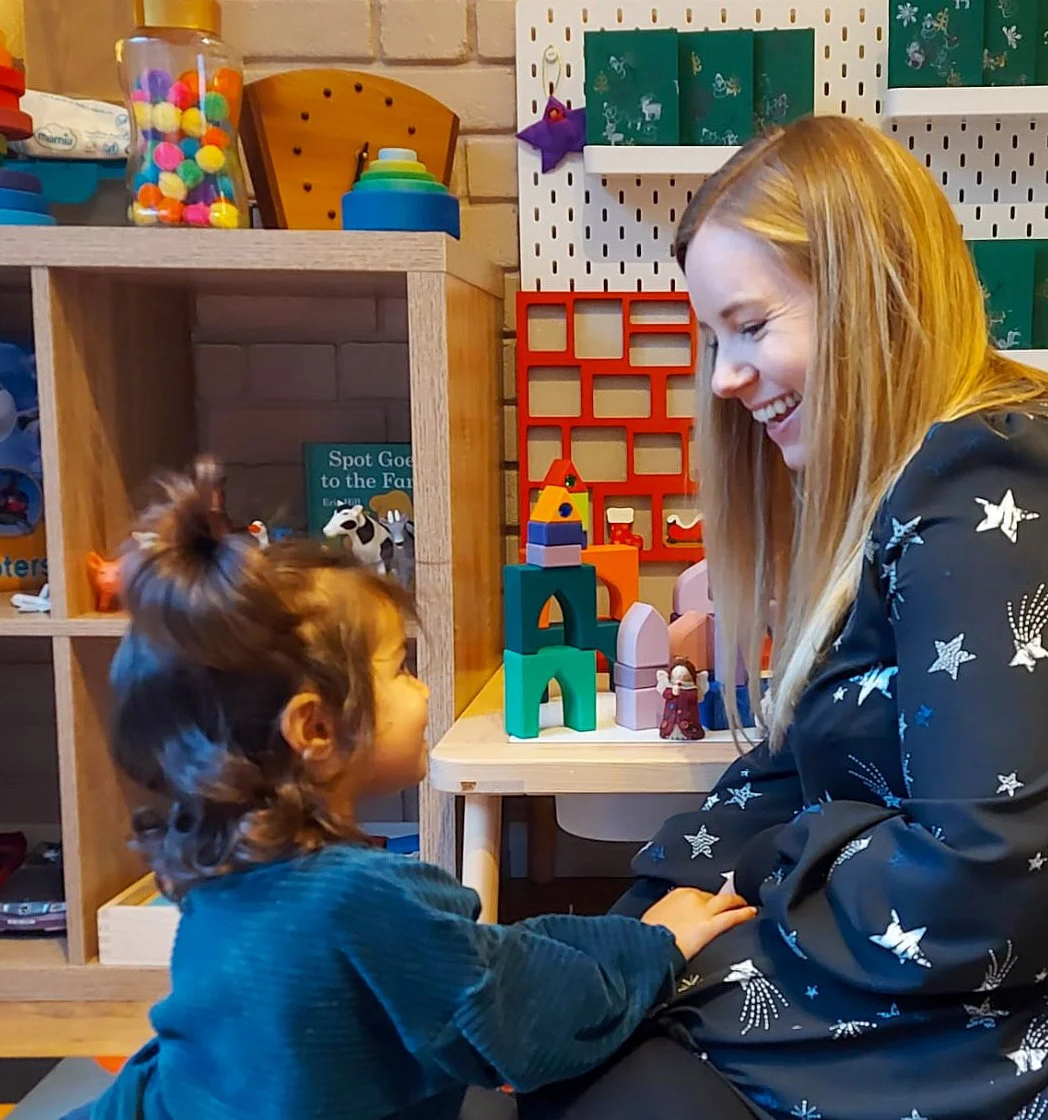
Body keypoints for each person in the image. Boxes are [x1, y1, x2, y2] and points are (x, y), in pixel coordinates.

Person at [520, 115, 1048, 1120]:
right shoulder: (897, 495)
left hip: (966, 1033)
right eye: (713, 338)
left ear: (874, 293)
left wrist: (741, 902)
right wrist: (635, 939)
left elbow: (983, 868)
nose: (722, 376)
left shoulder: (980, 476)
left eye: (750, 326)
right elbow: (783, 768)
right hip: (902, 991)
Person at [73, 458, 756, 1120]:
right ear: (313, 728)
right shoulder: (358, 899)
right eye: (400, 667)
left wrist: (616, 936)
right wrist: (654, 945)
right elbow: (515, 1007)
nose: (423, 689)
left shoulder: (224, 870)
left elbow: (492, 953)